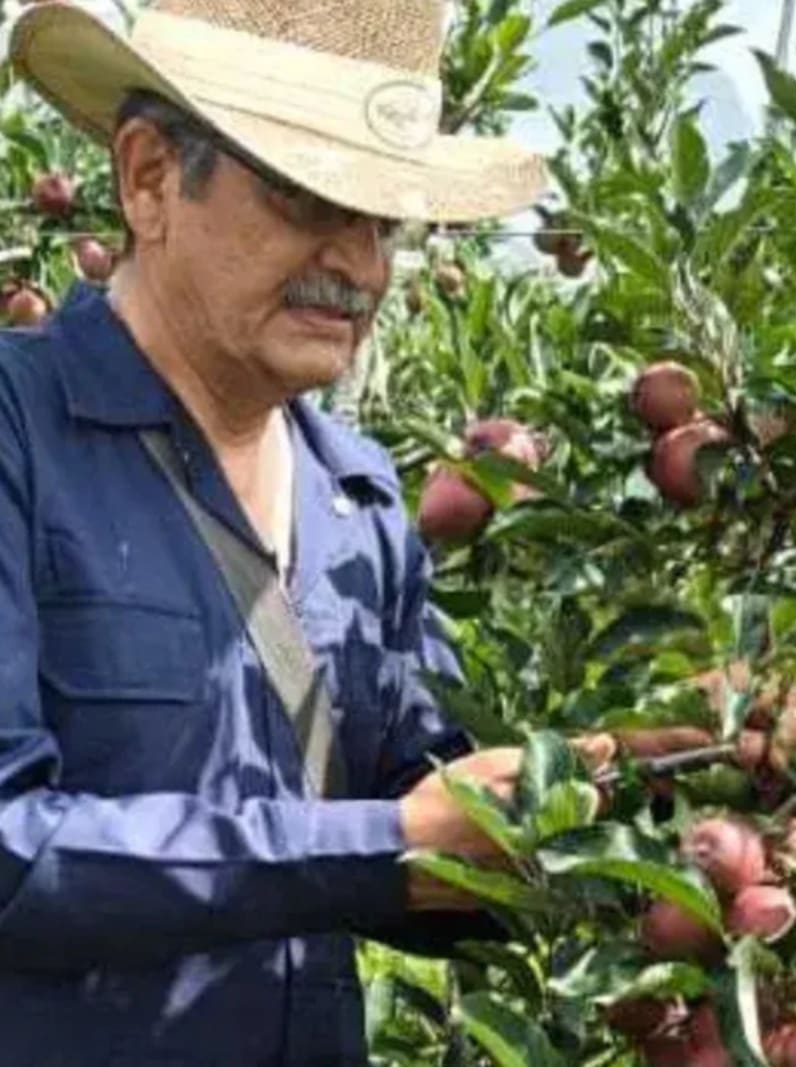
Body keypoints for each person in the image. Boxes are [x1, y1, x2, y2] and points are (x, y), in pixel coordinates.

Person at [0, 0, 551, 1063]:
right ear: (150, 177)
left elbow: (428, 820)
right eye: (306, 198)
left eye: (381, 221)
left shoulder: (361, 497)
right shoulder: (20, 431)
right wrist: (383, 850)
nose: (359, 265)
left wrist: (646, 788)